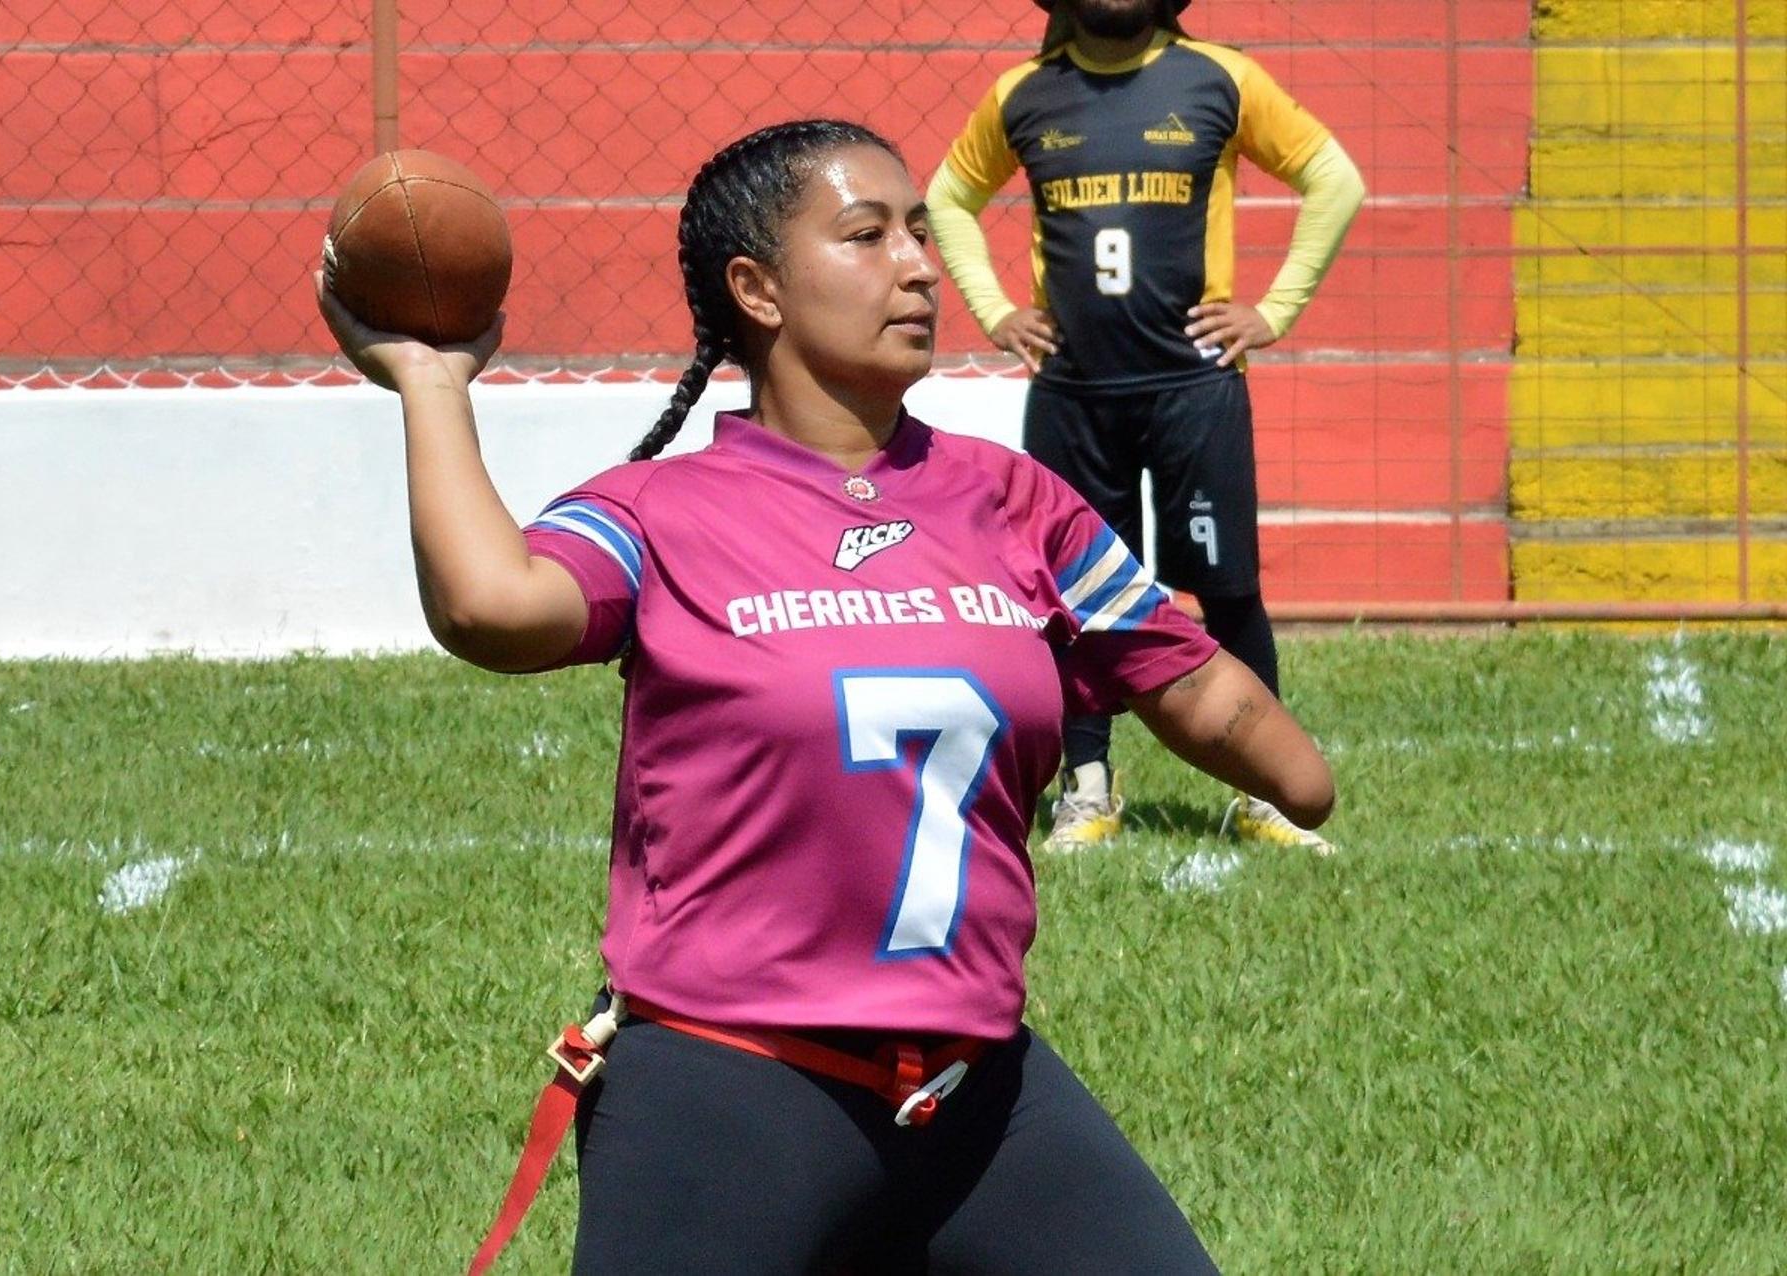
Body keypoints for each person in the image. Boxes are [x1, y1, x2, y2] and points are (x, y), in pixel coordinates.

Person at [320, 118, 1333, 1275]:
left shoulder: (1013, 500)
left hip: (979, 1092)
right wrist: (429, 382)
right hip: (730, 1088)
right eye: (866, 235)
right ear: (756, 289)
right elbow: (491, 608)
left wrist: (1264, 743)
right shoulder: (668, 510)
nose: (917, 264)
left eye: (917, 231)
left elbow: (1186, 678)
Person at [926, 0, 1365, 851]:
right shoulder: (1022, 95)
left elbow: (1333, 177)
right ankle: (1087, 785)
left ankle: (1262, 792)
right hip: (1074, 393)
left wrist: (1275, 310)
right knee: (1071, 597)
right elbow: (948, 199)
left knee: (1226, 586)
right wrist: (993, 310)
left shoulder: (1220, 78)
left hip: (1193, 389)